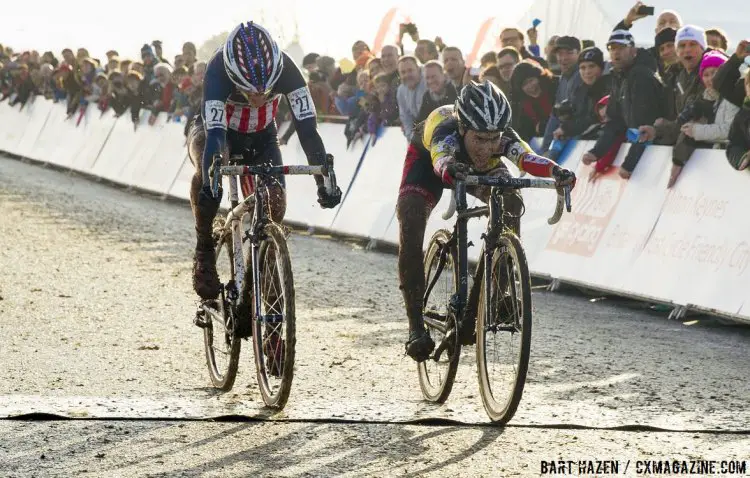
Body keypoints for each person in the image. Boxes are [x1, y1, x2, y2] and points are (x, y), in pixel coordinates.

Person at [396, 81, 576, 361]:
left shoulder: (500, 137)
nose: (487, 146)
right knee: (411, 220)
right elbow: (441, 161)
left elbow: (527, 158)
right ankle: (415, 326)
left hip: (470, 167)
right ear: (463, 129)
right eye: (480, 139)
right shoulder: (446, 131)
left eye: (494, 139)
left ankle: (498, 293)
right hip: (430, 162)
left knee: (510, 200)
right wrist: (451, 169)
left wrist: (556, 171)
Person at [187, 21, 342, 302]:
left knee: (275, 204)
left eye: (266, 92)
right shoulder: (218, 69)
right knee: (208, 169)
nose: (258, 97)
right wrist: (212, 181)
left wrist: (324, 180)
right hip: (217, 133)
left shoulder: (290, 70)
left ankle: (257, 281)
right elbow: (215, 137)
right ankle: (204, 250)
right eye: (249, 92)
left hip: (261, 136)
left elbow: (308, 131)